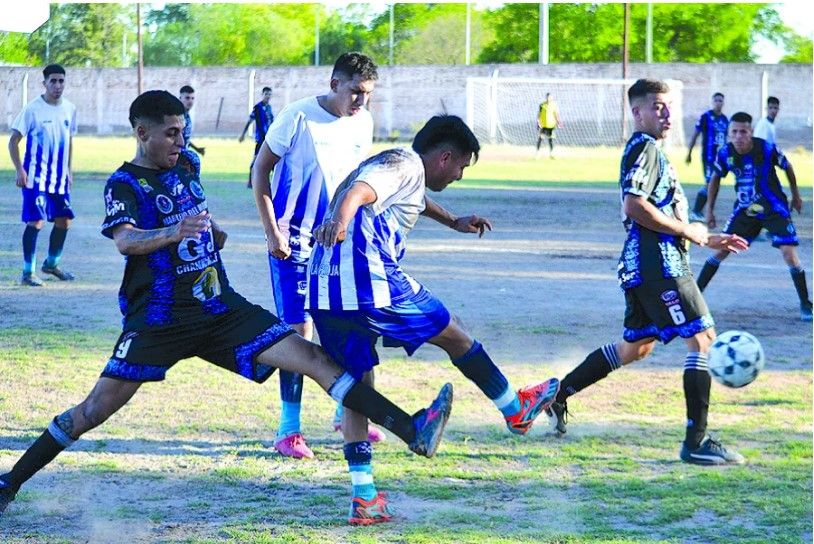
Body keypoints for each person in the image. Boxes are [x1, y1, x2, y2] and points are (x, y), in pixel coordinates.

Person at [0, 90, 454, 517]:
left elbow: (193, 210)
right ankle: (10, 482)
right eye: (171, 133)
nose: (182, 140)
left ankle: (411, 429)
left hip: (220, 308)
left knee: (315, 358)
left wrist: (210, 231)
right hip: (160, 319)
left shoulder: (188, 164)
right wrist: (173, 234)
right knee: (92, 412)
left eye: (183, 130)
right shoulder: (124, 182)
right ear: (142, 134)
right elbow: (125, 241)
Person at [309, 114, 560, 524]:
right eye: (462, 165)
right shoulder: (403, 165)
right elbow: (358, 192)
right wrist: (340, 221)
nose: (460, 175)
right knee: (455, 333)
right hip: (368, 282)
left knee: (355, 385)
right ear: (445, 157)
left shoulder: (398, 167)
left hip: (325, 286)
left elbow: (411, 198)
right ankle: (516, 409)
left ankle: (364, 497)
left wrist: (453, 221)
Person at [545, 79, 749, 466]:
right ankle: (696, 442)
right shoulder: (646, 146)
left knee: (635, 348)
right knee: (703, 340)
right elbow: (634, 206)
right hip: (659, 263)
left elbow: (654, 210)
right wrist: (689, 232)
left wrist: (705, 236)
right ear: (636, 112)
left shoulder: (648, 149)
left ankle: (558, 395)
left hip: (646, 262)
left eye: (669, 106)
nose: (666, 113)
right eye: (657, 106)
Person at [251, 52, 384, 460]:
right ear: (334, 85)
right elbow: (260, 172)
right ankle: (288, 429)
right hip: (292, 244)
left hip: (338, 245)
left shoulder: (364, 123)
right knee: (297, 335)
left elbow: (360, 182)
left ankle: (348, 414)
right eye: (356, 92)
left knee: (344, 328)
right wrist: (273, 232)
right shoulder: (296, 117)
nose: (362, 102)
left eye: (368, 94)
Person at [696, 111, 812, 322]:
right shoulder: (725, 153)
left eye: (744, 132)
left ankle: (806, 304)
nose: (739, 136)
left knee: (789, 253)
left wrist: (795, 195)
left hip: (773, 208)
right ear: (729, 134)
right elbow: (715, 179)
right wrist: (710, 209)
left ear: (751, 132)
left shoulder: (766, 149)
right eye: (735, 132)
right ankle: (693, 298)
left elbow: (788, 167)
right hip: (745, 211)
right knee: (722, 249)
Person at [8, 64, 78, 286]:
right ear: (45, 83)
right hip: (35, 178)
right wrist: (20, 170)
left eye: (61, 81)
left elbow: (70, 141)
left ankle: (51, 264)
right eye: (53, 81)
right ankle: (28, 272)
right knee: (36, 221)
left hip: (58, 179)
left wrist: (68, 169)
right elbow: (13, 141)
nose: (57, 85)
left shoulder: (70, 109)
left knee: (64, 221)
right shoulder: (32, 109)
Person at [686, 92, 728, 222]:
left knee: (715, 184)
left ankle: (706, 211)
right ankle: (696, 211)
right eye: (716, 100)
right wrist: (689, 153)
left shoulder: (725, 120)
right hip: (709, 158)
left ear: (723, 103)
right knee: (709, 183)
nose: (718, 103)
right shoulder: (706, 117)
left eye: (720, 100)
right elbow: (695, 134)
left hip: (720, 159)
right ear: (712, 102)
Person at [239, 86, 274, 188]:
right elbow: (250, 121)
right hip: (260, 139)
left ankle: (271, 182)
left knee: (272, 160)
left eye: (269, 94)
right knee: (256, 160)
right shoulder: (257, 107)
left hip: (269, 139)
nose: (268, 96)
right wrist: (243, 134)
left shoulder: (269, 108)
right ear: (262, 95)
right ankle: (250, 181)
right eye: (266, 94)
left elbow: (271, 122)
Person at [179, 85, 205, 157]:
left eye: (192, 98)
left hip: (184, 155)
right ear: (180, 98)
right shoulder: (178, 117)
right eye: (187, 98)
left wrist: (197, 149)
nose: (190, 101)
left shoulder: (187, 116)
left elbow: (185, 139)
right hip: (177, 156)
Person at [535, 93, 562, 158]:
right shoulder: (542, 105)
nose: (549, 99)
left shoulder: (554, 105)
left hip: (552, 126)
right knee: (541, 138)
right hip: (544, 125)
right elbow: (539, 114)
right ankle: (537, 153)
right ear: (546, 98)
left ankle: (551, 154)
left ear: (552, 98)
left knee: (551, 140)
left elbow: (556, 115)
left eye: (550, 97)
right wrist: (538, 122)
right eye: (548, 97)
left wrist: (559, 123)